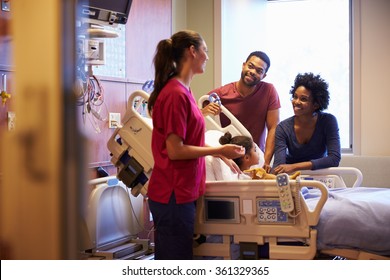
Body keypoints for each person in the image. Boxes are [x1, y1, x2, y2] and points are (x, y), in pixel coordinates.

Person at [146, 30, 245, 260]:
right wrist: (219, 150)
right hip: (172, 193)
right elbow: (175, 150)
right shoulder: (175, 94)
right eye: (205, 51)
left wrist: (220, 156)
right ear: (192, 51)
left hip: (183, 191)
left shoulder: (185, 91)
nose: (207, 57)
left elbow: (191, 139)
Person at [202, 51, 281, 173]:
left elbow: (273, 127)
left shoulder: (269, 91)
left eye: (259, 71)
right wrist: (203, 111)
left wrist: (266, 161)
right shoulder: (222, 93)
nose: (253, 72)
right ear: (243, 65)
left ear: (264, 76)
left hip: (255, 159)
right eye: (250, 66)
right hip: (229, 159)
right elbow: (191, 116)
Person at [272, 72, 341, 175]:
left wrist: (294, 167)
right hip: (293, 177)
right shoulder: (283, 128)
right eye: (295, 97)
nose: (296, 102)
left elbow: (334, 158)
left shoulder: (328, 121)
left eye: (303, 99)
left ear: (316, 104)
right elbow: (279, 165)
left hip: (320, 175)